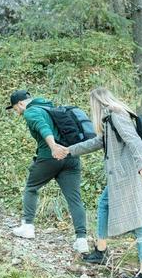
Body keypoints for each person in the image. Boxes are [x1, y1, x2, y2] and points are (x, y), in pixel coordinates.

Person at [53, 87, 142, 278]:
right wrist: (68, 151)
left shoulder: (116, 114)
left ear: (97, 102)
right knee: (104, 204)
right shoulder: (109, 118)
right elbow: (97, 142)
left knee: (139, 224)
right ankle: (101, 250)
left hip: (128, 175)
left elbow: (133, 139)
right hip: (122, 177)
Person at [6, 90, 89, 253]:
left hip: (50, 157)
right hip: (71, 157)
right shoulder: (49, 108)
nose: (17, 112)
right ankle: (81, 240)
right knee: (74, 198)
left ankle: (28, 226)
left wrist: (53, 148)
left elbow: (43, 128)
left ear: (21, 104)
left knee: (31, 188)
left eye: (15, 109)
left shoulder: (31, 112)